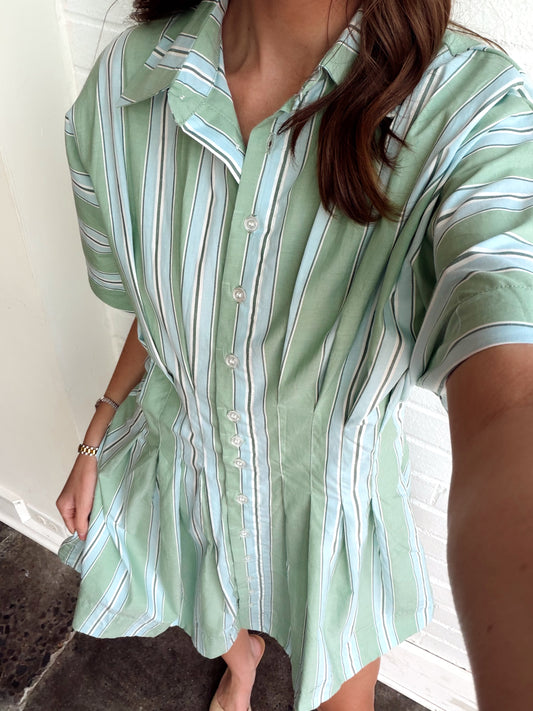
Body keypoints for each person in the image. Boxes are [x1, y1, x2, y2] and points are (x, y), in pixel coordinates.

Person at [55, 0, 533, 709]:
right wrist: (96, 433)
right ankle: (241, 663)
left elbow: (511, 394)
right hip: (192, 481)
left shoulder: (467, 116)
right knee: (209, 611)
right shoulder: (122, 89)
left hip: (329, 511)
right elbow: (159, 317)